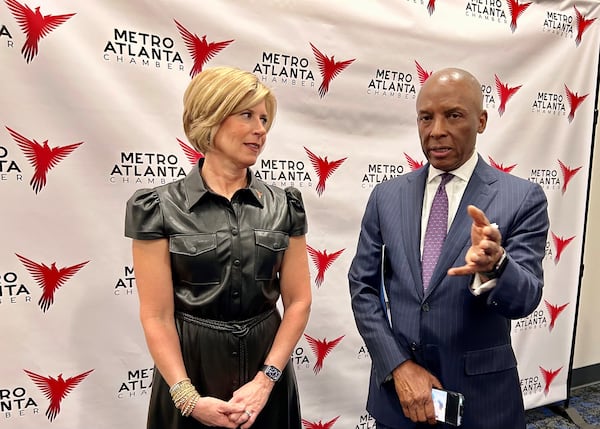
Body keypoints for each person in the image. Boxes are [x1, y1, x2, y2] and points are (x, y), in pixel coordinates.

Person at [348, 68, 549, 429]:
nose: (436, 130)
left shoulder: (522, 198)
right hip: (401, 401)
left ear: (481, 120)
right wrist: (397, 366)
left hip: (482, 404)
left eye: (453, 115)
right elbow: (362, 287)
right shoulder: (386, 196)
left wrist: (496, 266)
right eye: (426, 117)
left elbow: (526, 299)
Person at [125, 66, 312, 429]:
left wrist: (265, 380)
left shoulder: (284, 205)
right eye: (247, 115)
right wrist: (186, 397)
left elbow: (299, 301)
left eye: (264, 118)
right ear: (210, 118)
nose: (261, 129)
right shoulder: (158, 207)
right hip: (189, 372)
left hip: (266, 377)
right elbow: (156, 315)